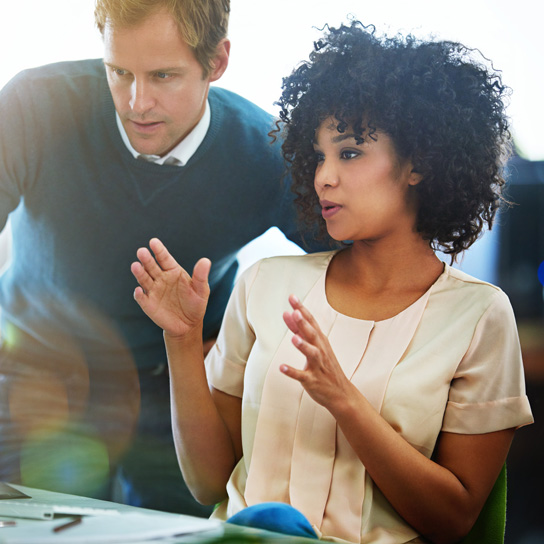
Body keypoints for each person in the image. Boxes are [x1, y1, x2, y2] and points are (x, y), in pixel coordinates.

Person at [131, 21, 534, 543]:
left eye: (348, 152)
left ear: (419, 163)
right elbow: (207, 481)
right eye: (319, 156)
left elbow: (454, 519)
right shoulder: (266, 285)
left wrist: (345, 401)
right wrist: (183, 340)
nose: (323, 176)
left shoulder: (478, 316)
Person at [0, 0, 322, 517]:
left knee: (177, 529)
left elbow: (365, 260)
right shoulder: (32, 106)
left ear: (216, 63)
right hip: (37, 369)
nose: (136, 102)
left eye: (164, 75)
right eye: (119, 72)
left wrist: (246, 348)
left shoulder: (267, 153)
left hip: (175, 382)